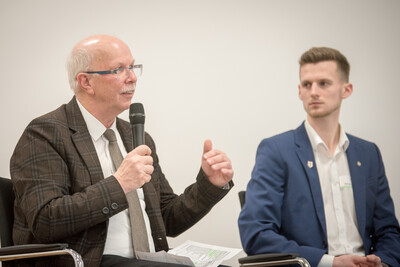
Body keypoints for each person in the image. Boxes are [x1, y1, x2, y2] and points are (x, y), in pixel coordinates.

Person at [10, 34, 234, 267]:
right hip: (89, 261)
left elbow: (166, 219)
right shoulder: (45, 134)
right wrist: (119, 183)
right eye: (119, 69)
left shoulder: (135, 136)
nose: (133, 78)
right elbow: (46, 220)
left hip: (149, 261)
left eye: (133, 67)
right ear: (86, 82)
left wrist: (210, 184)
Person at [238, 47, 400, 267]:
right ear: (299, 92)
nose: (313, 91)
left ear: (346, 90)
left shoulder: (368, 153)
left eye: (323, 83)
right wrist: (329, 262)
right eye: (307, 84)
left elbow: (389, 231)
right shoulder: (276, 151)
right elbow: (256, 234)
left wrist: (384, 263)